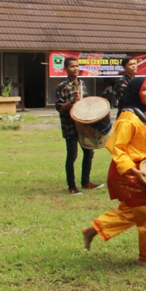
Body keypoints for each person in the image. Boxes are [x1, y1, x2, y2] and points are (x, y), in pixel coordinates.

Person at [82, 77, 146, 262]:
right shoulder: (128, 118)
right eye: (145, 89)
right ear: (135, 93)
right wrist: (133, 171)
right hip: (128, 173)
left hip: (141, 170)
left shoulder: (144, 115)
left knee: (133, 211)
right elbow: (117, 148)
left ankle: (93, 229)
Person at [55, 57, 98, 195]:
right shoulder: (61, 86)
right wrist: (72, 102)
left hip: (83, 125)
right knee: (72, 155)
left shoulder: (82, 84)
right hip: (70, 126)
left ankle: (86, 181)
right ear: (66, 69)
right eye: (72, 66)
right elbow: (59, 107)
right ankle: (72, 186)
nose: (75, 68)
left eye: (77, 66)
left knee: (89, 152)